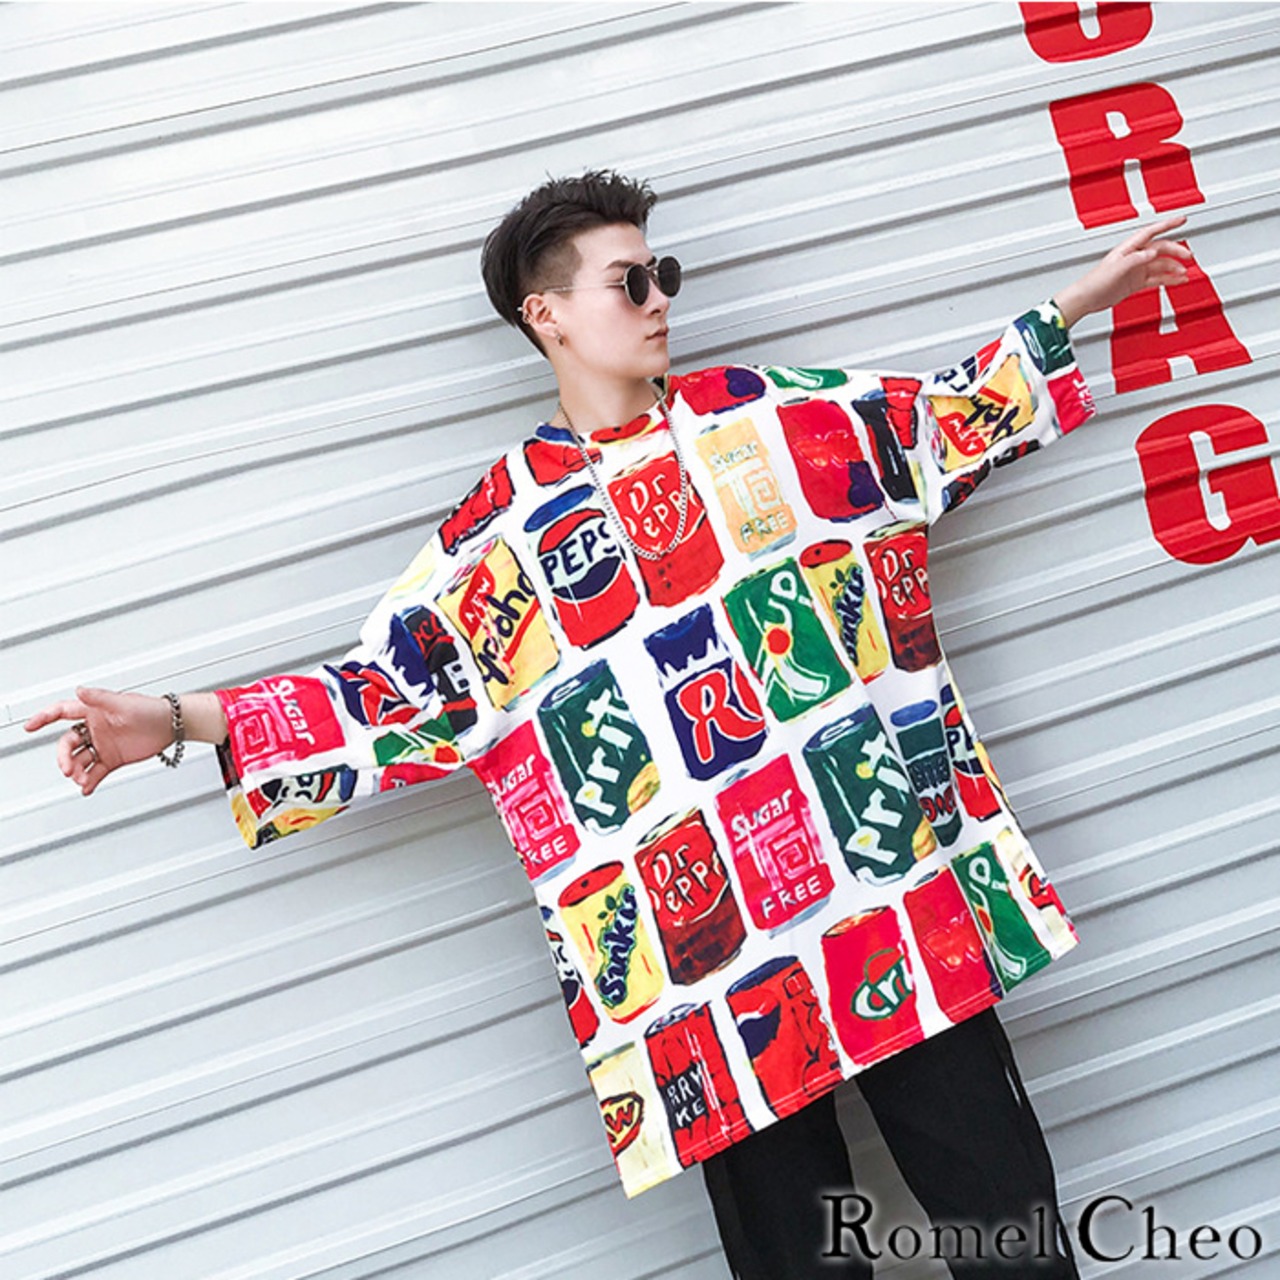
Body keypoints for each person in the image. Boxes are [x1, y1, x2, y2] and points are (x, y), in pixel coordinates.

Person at [27, 171, 1191, 1278]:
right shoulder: (498, 542)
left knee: (1007, 1230)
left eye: (662, 274)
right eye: (628, 282)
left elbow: (931, 425)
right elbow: (380, 696)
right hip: (701, 984)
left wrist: (1077, 300)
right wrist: (173, 719)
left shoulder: (773, 423)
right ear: (545, 315)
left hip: (883, 901)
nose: (659, 300)